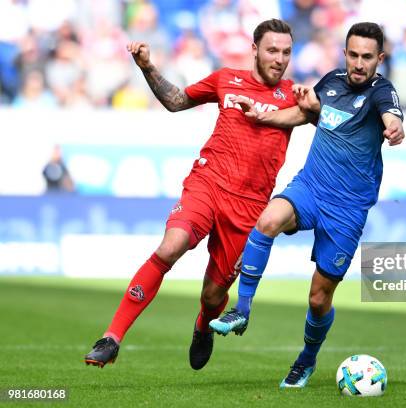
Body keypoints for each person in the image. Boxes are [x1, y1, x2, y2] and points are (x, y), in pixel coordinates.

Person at [84, 19, 296, 370]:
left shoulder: (294, 96)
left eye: (286, 52)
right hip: (208, 183)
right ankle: (112, 337)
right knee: (171, 246)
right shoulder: (226, 79)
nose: (279, 58)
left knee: (213, 296)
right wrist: (148, 67)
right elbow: (177, 100)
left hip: (249, 207)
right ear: (254, 49)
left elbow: (330, 116)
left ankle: (203, 326)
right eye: (272, 50)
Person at [209, 22, 405, 387]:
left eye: (367, 57)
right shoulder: (331, 81)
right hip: (311, 186)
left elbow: (392, 117)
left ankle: (306, 359)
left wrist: (394, 127)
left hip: (347, 209)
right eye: (353, 55)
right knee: (267, 221)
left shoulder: (382, 92)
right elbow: (305, 113)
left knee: (318, 299)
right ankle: (242, 310)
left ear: (379, 58)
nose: (358, 64)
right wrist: (263, 117)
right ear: (344, 53)